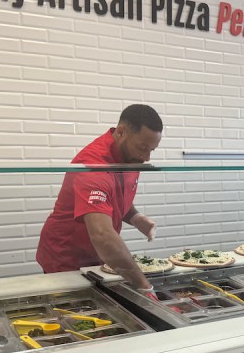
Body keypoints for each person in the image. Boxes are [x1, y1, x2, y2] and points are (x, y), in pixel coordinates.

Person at [36, 104, 163, 295]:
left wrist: (135, 217)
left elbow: (114, 194)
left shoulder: (130, 156)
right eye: (143, 148)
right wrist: (145, 287)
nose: (145, 157)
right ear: (121, 132)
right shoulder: (92, 165)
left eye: (151, 150)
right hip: (66, 257)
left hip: (98, 258)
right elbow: (102, 236)